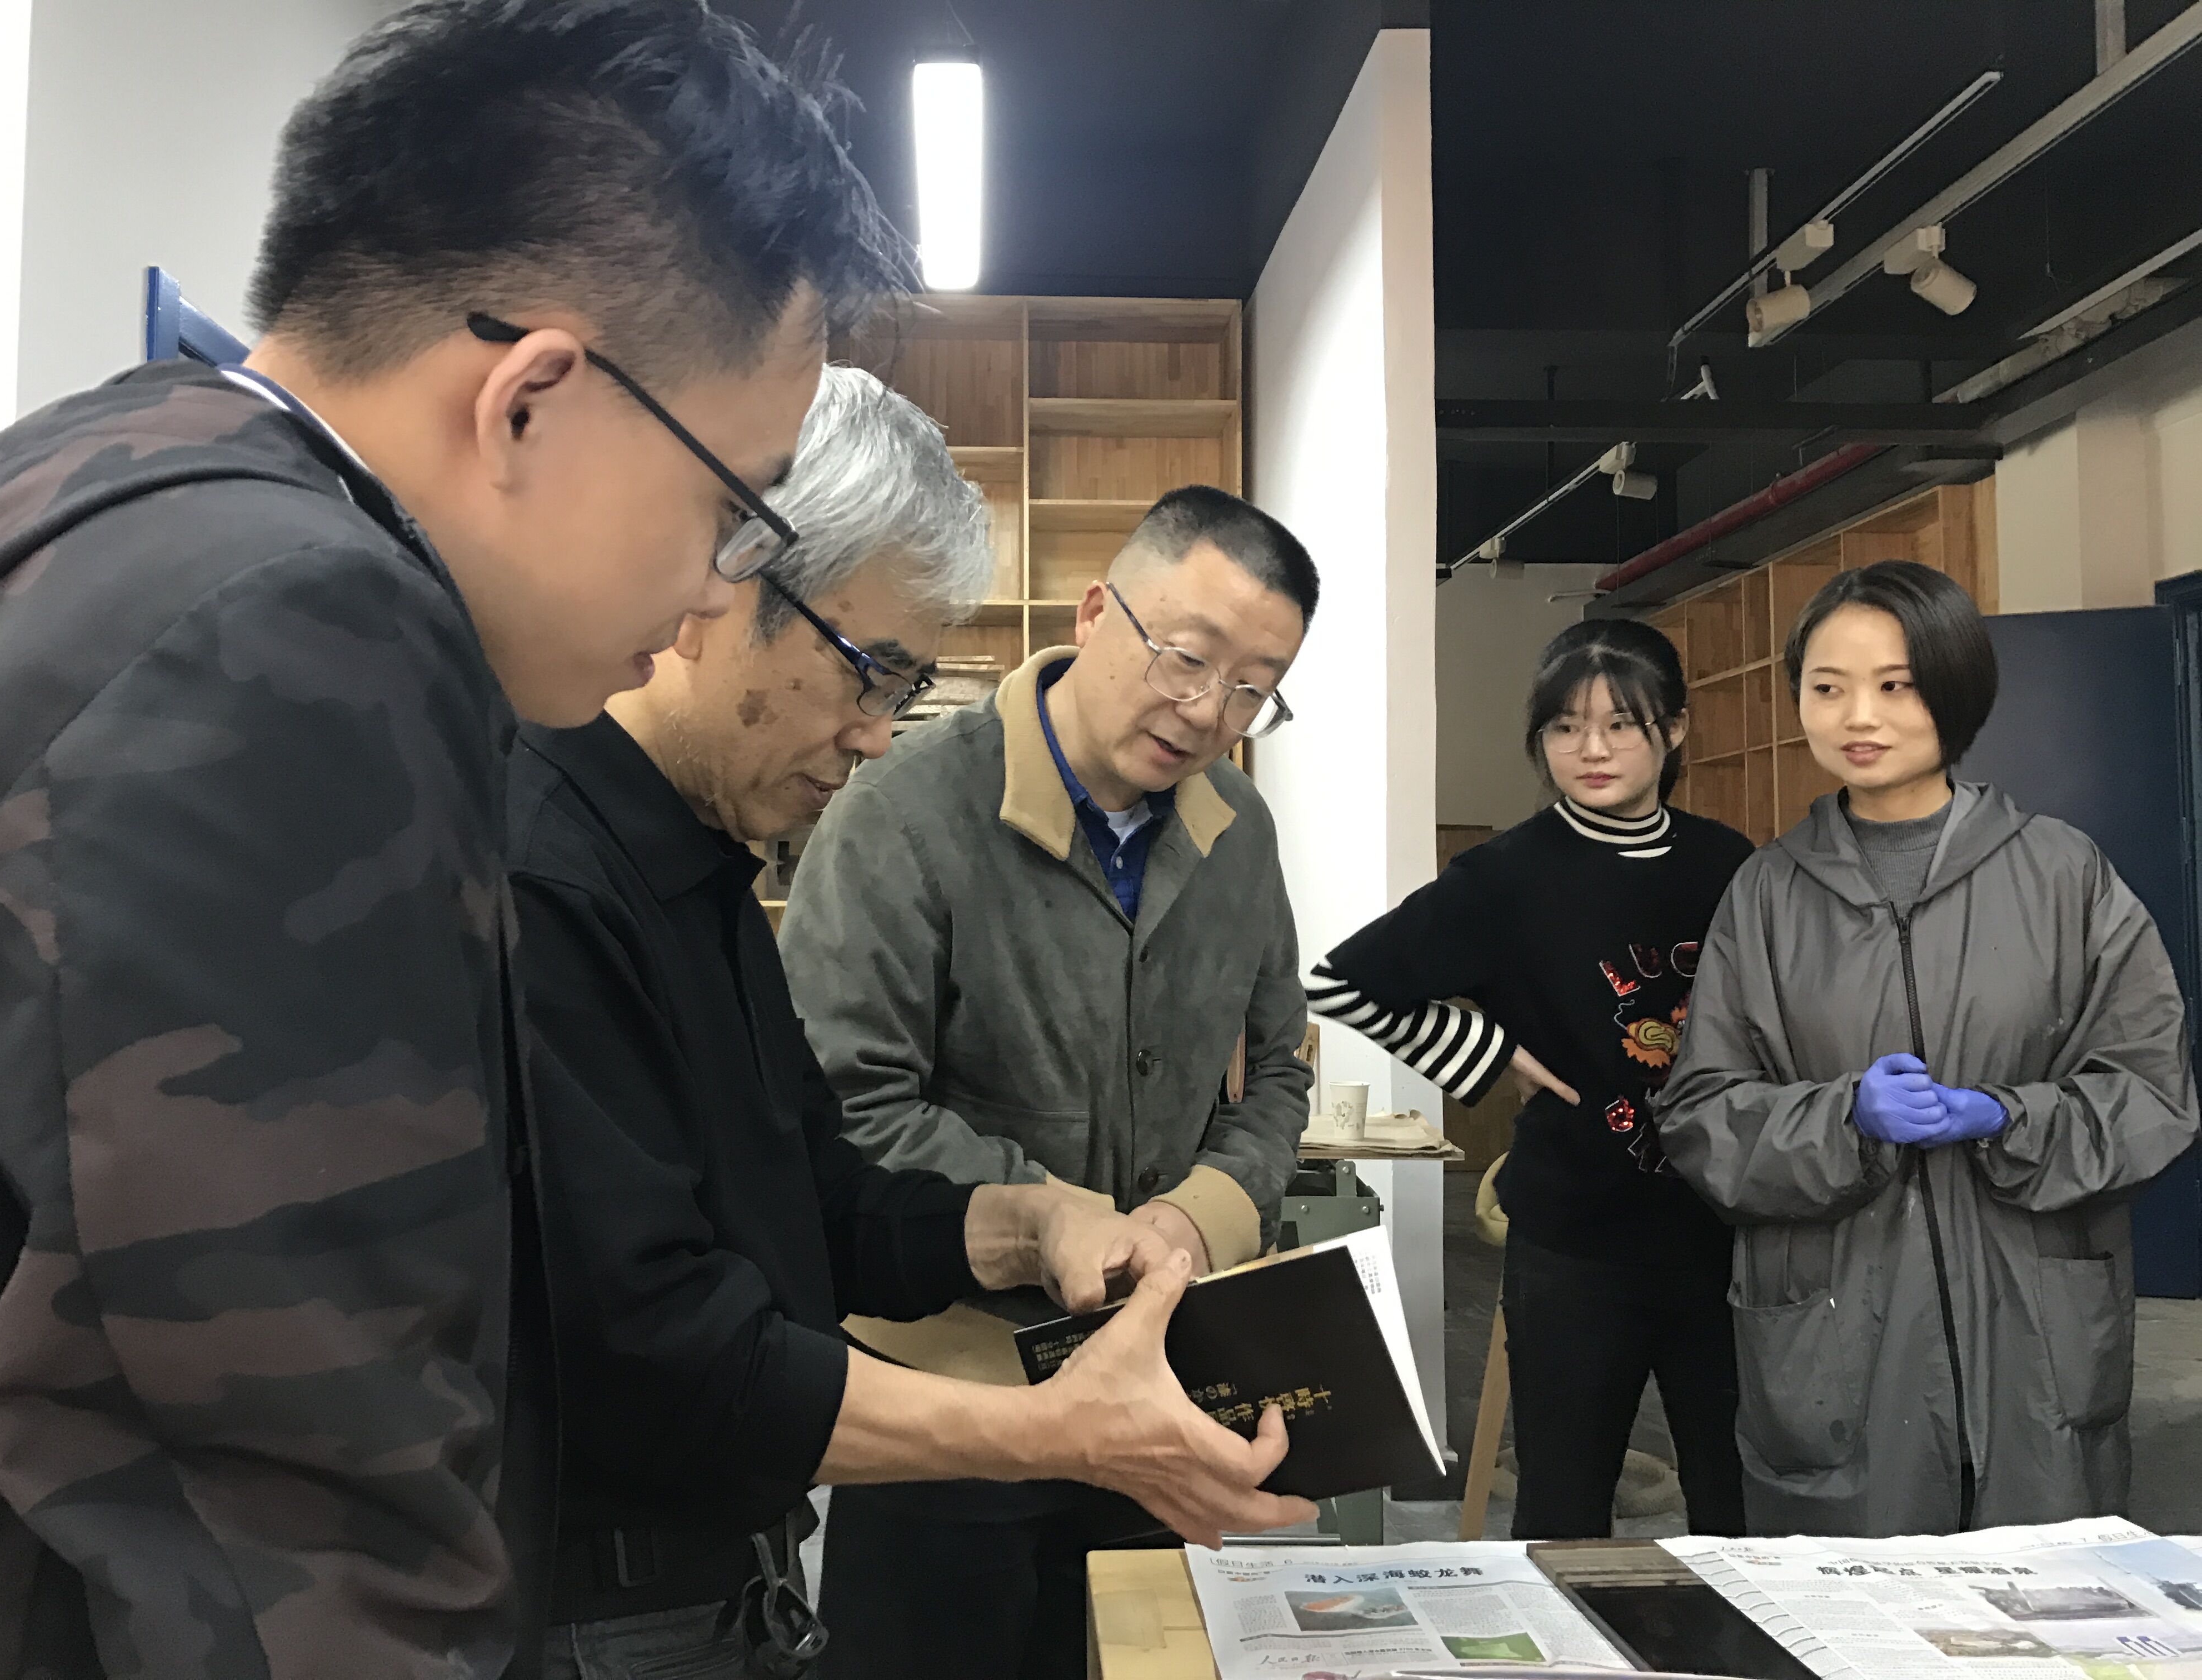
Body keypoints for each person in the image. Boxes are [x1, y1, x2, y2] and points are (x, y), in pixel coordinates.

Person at [0, 3, 904, 1673]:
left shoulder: (100, 479)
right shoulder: (307, 634)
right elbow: (299, 1494)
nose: (714, 593)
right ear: (531, 399)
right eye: (733, 509)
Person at [508, 369, 1312, 1679]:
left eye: (1251, 689)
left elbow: (813, 1194)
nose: (876, 736)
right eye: (870, 675)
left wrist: (1028, 1221)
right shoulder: (551, 871)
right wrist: (1059, 1431)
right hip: (615, 1591)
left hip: (740, 1557)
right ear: (719, 583)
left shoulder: (702, 863)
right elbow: (660, 1345)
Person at [778, 484, 1317, 1680]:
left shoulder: (1239, 830)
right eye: (1187, 657)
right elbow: (846, 1104)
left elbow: (1280, 1072)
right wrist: (1052, 1220)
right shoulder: (905, 810)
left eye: (1253, 689)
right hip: (949, 1398)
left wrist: (1196, 1218)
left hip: (1162, 1382)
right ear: (1096, 613)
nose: (1207, 711)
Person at [1657, 560, 2200, 1536]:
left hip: (2035, 1334)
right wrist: (1843, 1120)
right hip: (1838, 1342)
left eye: (1895, 685)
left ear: (1956, 689)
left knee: (2041, 1589)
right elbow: (1701, 1117)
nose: (1858, 716)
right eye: (1827, 688)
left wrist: (2008, 1117)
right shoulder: (1768, 896)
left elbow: (2153, 1094)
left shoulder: (2063, 875)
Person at [1305, 619, 1753, 1540]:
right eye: (1565, 727)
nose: (1592, 750)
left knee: (1739, 1494)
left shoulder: (1730, 866)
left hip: (1725, 1237)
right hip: (1573, 1240)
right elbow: (1337, 981)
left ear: (1674, 730)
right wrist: (1491, 1052)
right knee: (1561, 1506)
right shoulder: (1505, 876)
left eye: (1621, 724)